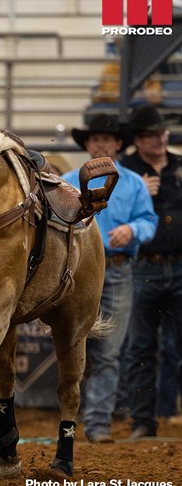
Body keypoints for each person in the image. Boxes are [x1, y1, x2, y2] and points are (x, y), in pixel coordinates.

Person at [61, 113, 156, 443]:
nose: (100, 144)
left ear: (117, 144)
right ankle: (73, 417)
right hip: (77, 271)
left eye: (106, 139)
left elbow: (149, 220)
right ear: (88, 145)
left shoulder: (134, 184)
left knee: (109, 351)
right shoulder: (66, 183)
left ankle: (97, 423)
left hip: (116, 269)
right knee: (73, 345)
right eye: (95, 139)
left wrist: (133, 229)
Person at [118, 105, 182, 439]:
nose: (160, 139)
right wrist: (139, 194)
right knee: (140, 348)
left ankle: (160, 414)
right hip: (141, 266)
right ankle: (143, 420)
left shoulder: (179, 166)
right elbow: (112, 215)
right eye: (152, 135)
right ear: (138, 140)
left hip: (177, 263)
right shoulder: (126, 172)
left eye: (162, 133)